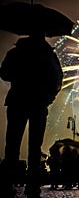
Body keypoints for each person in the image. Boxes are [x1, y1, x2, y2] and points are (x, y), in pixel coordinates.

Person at [0, 30, 63, 197]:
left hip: (17, 100)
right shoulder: (49, 55)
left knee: (12, 144)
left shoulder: (16, 52)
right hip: (39, 103)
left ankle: (8, 183)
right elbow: (58, 79)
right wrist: (48, 98)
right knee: (35, 147)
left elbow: (4, 74)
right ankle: (33, 186)